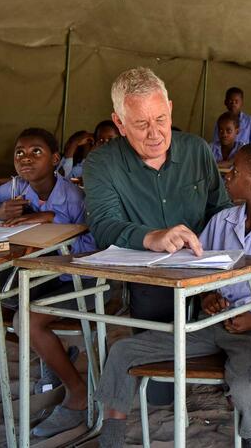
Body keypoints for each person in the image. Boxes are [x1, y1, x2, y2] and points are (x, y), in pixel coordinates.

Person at [94, 143, 251, 448]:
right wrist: (207, 297)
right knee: (123, 352)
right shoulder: (220, 223)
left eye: (235, 171)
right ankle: (111, 438)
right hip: (209, 324)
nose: (227, 176)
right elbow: (198, 270)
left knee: (246, 383)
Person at [83, 67, 231, 404]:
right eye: (140, 124)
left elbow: (220, 209)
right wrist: (151, 237)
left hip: (206, 263)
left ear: (171, 109)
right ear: (119, 123)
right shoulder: (101, 163)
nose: (155, 134)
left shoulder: (196, 150)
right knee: (163, 391)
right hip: (152, 277)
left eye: (161, 119)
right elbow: (104, 225)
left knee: (238, 346)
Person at [0, 127, 98, 437]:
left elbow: (93, 245)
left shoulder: (74, 196)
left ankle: (77, 394)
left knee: (27, 321)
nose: (26, 158)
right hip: (36, 280)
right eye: (19, 152)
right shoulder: (13, 189)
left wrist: (52, 219)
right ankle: (52, 353)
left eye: (36, 152)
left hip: (77, 281)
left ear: (55, 159)